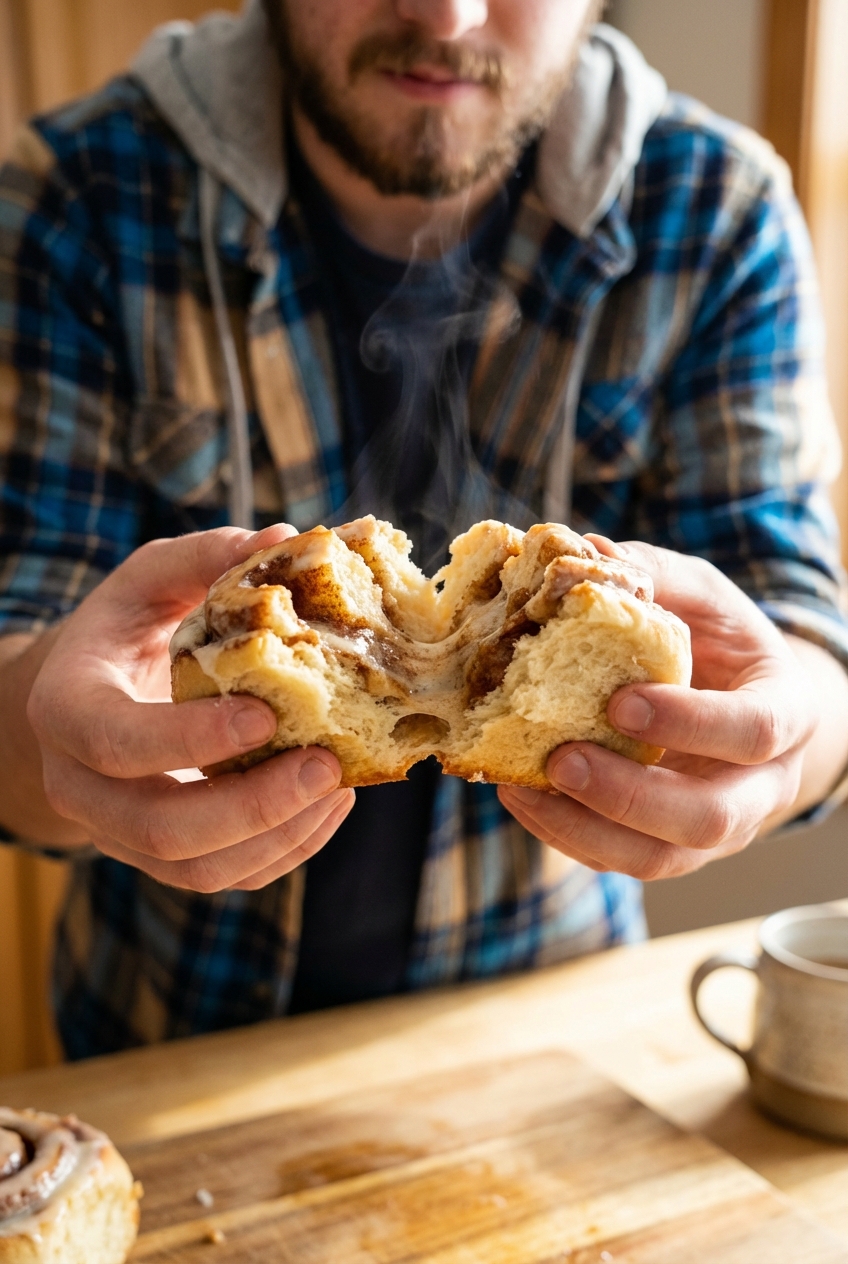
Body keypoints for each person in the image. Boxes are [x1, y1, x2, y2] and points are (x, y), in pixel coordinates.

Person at [1, 0, 847, 1058]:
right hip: (164, 1035)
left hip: (549, 1044)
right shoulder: (74, 198)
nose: (446, 13)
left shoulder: (716, 208)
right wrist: (52, 736)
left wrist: (784, 733)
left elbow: (802, 636)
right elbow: (11, 689)